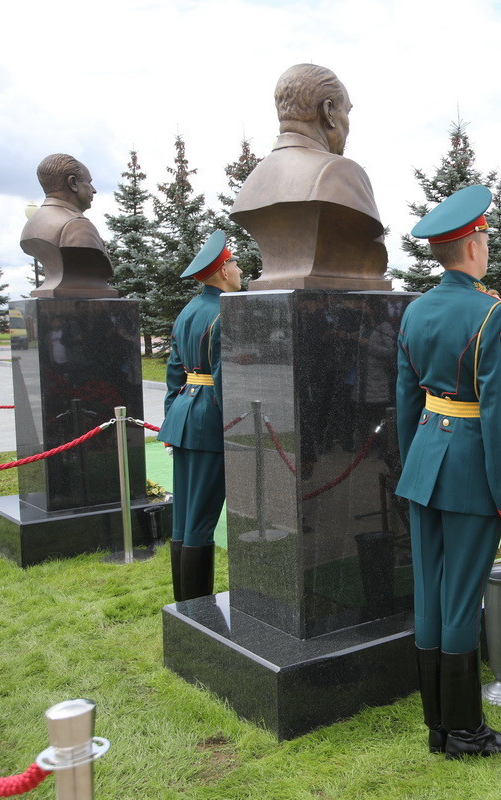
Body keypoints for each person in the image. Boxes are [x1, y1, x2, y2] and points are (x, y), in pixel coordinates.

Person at [395, 185, 501, 759]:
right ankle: (465, 733)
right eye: (485, 236)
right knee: (460, 601)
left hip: (425, 462)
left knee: (430, 596)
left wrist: (415, 464)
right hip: (471, 470)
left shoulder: (416, 308)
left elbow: (407, 400)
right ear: (473, 245)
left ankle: (438, 727)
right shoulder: (494, 312)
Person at [230, 63, 386, 291]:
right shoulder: (338, 172)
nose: (347, 123)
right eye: (347, 111)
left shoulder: (254, 182)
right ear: (328, 110)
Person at [159, 231, 243, 602]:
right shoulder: (226, 312)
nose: (240, 269)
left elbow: (174, 374)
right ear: (223, 270)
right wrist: (235, 427)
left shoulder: (188, 311)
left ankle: (185, 604)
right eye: (235, 263)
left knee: (185, 515)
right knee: (203, 518)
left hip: (183, 417)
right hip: (209, 420)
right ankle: (196, 608)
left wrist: (170, 421)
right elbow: (225, 380)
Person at [20, 154, 117, 299]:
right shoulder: (75, 226)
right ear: (72, 183)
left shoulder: (32, 223)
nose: (94, 189)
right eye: (88, 183)